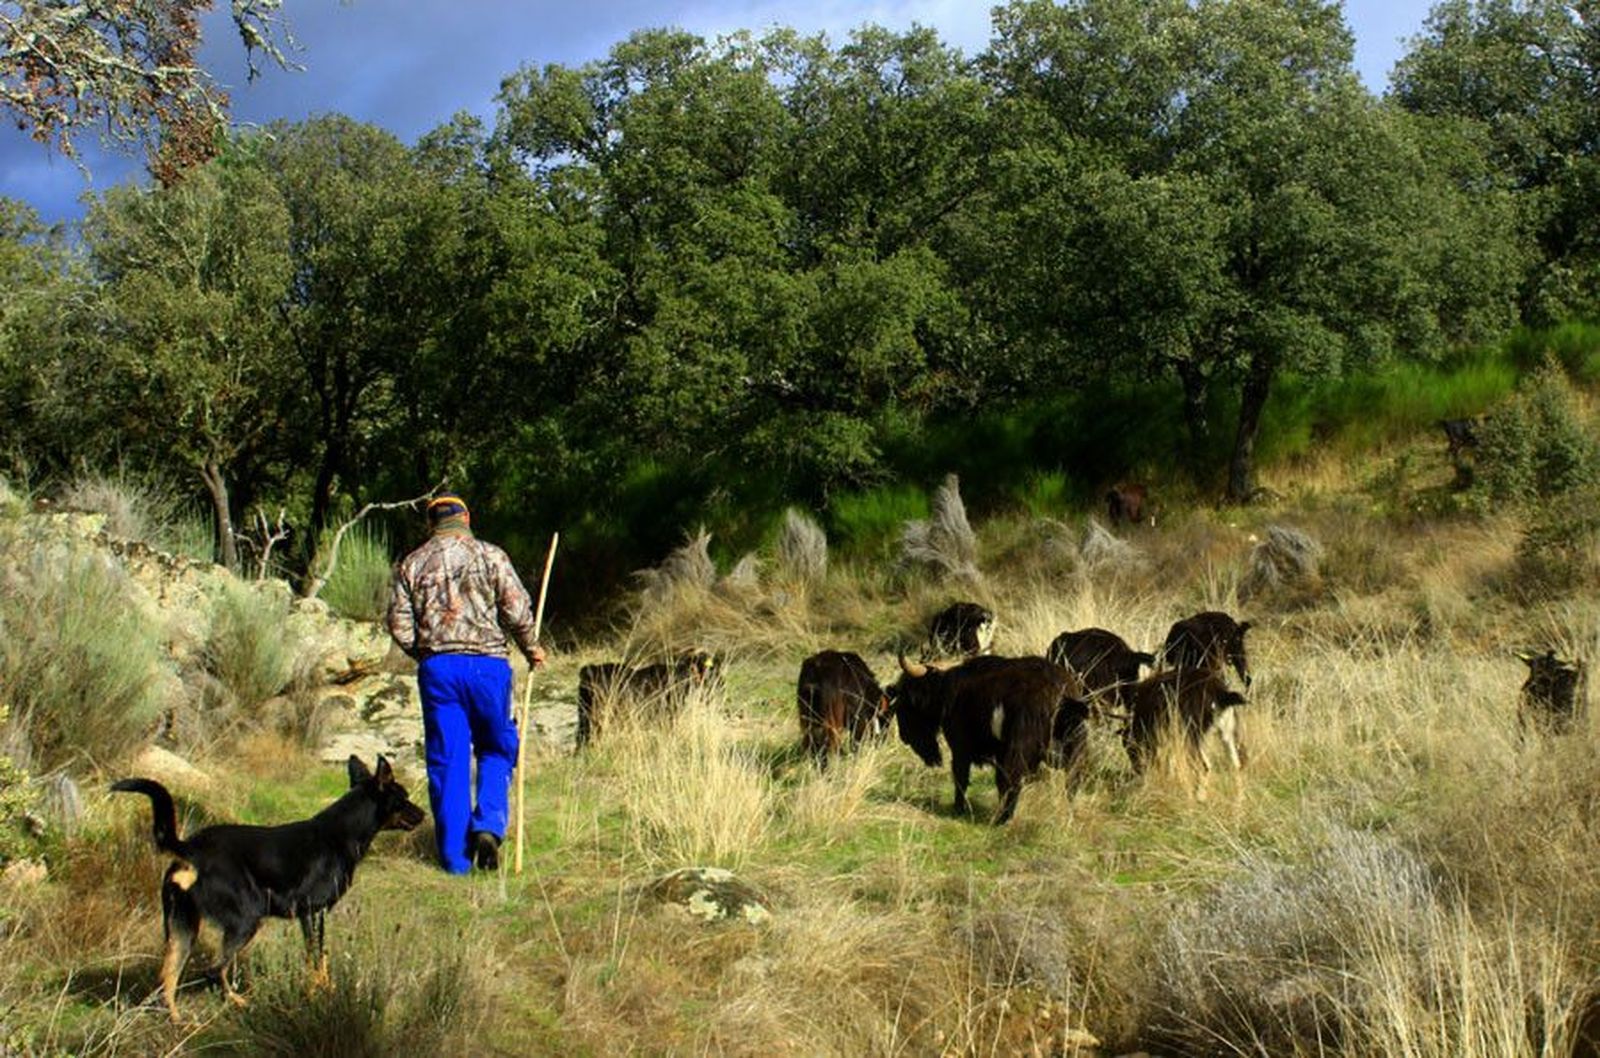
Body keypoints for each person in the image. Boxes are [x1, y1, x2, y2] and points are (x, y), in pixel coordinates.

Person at [386, 492, 546, 873]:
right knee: (496, 746)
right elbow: (517, 610)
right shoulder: (491, 555)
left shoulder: (411, 564)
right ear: (467, 518)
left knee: (448, 760)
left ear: (431, 524)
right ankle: (489, 824)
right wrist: (532, 648)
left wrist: (426, 654)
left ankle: (456, 861)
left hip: (438, 671)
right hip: (488, 667)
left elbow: (398, 624)